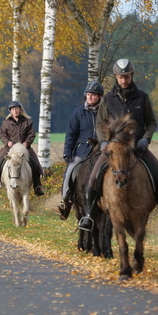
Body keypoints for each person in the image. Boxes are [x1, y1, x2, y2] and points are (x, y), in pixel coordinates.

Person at [78, 59, 158, 231]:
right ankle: (88, 215)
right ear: (116, 77)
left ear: (131, 76)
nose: (124, 80)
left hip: (138, 147)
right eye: (121, 77)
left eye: (127, 77)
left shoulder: (142, 98)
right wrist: (104, 142)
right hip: (114, 149)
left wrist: (146, 139)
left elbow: (151, 122)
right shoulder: (107, 99)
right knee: (93, 177)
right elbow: (100, 124)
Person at [54, 80, 104, 220]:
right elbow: (71, 134)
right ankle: (65, 202)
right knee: (70, 171)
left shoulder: (106, 112)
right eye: (88, 94)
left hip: (102, 149)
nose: (89, 97)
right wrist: (67, 153)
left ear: (100, 97)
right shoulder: (78, 112)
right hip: (83, 150)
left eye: (93, 95)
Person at [0, 100, 44, 197]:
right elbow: (2, 135)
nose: (15, 111)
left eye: (17, 108)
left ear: (20, 110)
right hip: (9, 149)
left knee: (35, 163)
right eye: (13, 109)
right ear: (10, 111)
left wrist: (27, 143)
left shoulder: (28, 122)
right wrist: (7, 142)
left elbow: (31, 134)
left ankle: (37, 186)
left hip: (24, 148)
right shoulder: (6, 123)